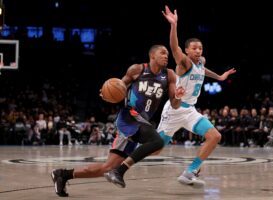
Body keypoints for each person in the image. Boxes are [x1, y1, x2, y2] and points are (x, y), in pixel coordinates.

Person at [51, 44, 185, 196]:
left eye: (167, 54)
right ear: (152, 55)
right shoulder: (137, 69)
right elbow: (118, 88)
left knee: (107, 168)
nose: (166, 56)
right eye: (163, 53)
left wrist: (179, 96)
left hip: (141, 121)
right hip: (128, 118)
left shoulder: (169, 75)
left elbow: (175, 104)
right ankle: (120, 172)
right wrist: (108, 93)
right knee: (157, 142)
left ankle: (63, 174)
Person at [156, 5, 236, 187]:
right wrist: (174, 25)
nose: (198, 51)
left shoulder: (201, 62)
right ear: (187, 51)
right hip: (175, 109)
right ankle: (129, 148)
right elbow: (173, 46)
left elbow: (203, 70)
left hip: (190, 110)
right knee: (155, 150)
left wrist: (220, 76)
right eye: (194, 48)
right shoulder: (183, 62)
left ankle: (189, 171)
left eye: (200, 48)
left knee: (215, 136)